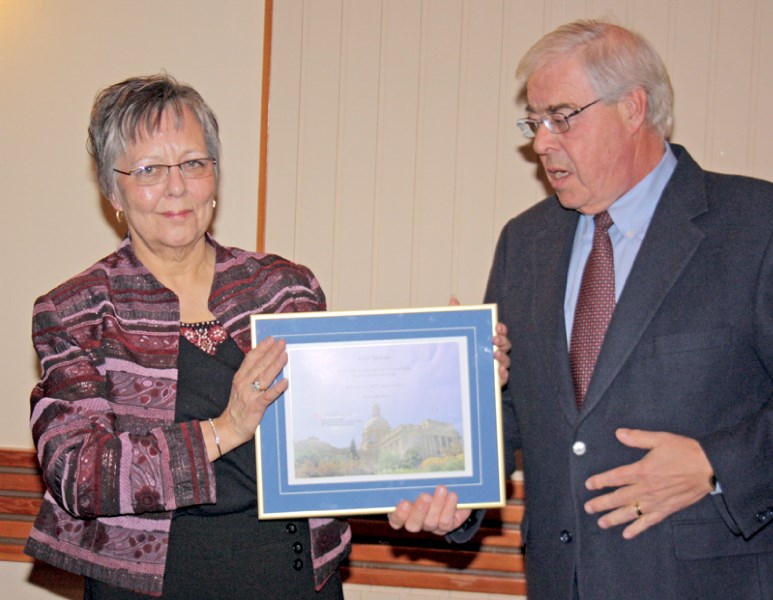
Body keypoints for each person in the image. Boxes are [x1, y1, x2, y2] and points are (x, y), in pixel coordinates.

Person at [26, 73, 512, 599]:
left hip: (299, 580)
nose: (176, 187)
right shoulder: (78, 311)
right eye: (149, 170)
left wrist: (455, 376)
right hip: (157, 590)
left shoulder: (284, 287)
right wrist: (226, 428)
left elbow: (339, 441)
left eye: (193, 163)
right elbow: (78, 474)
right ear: (111, 188)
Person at [389, 19, 773, 600]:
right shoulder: (525, 242)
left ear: (633, 107)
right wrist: (454, 495)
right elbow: (511, 409)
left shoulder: (754, 225)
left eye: (561, 117)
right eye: (534, 121)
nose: (541, 141)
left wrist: (716, 465)